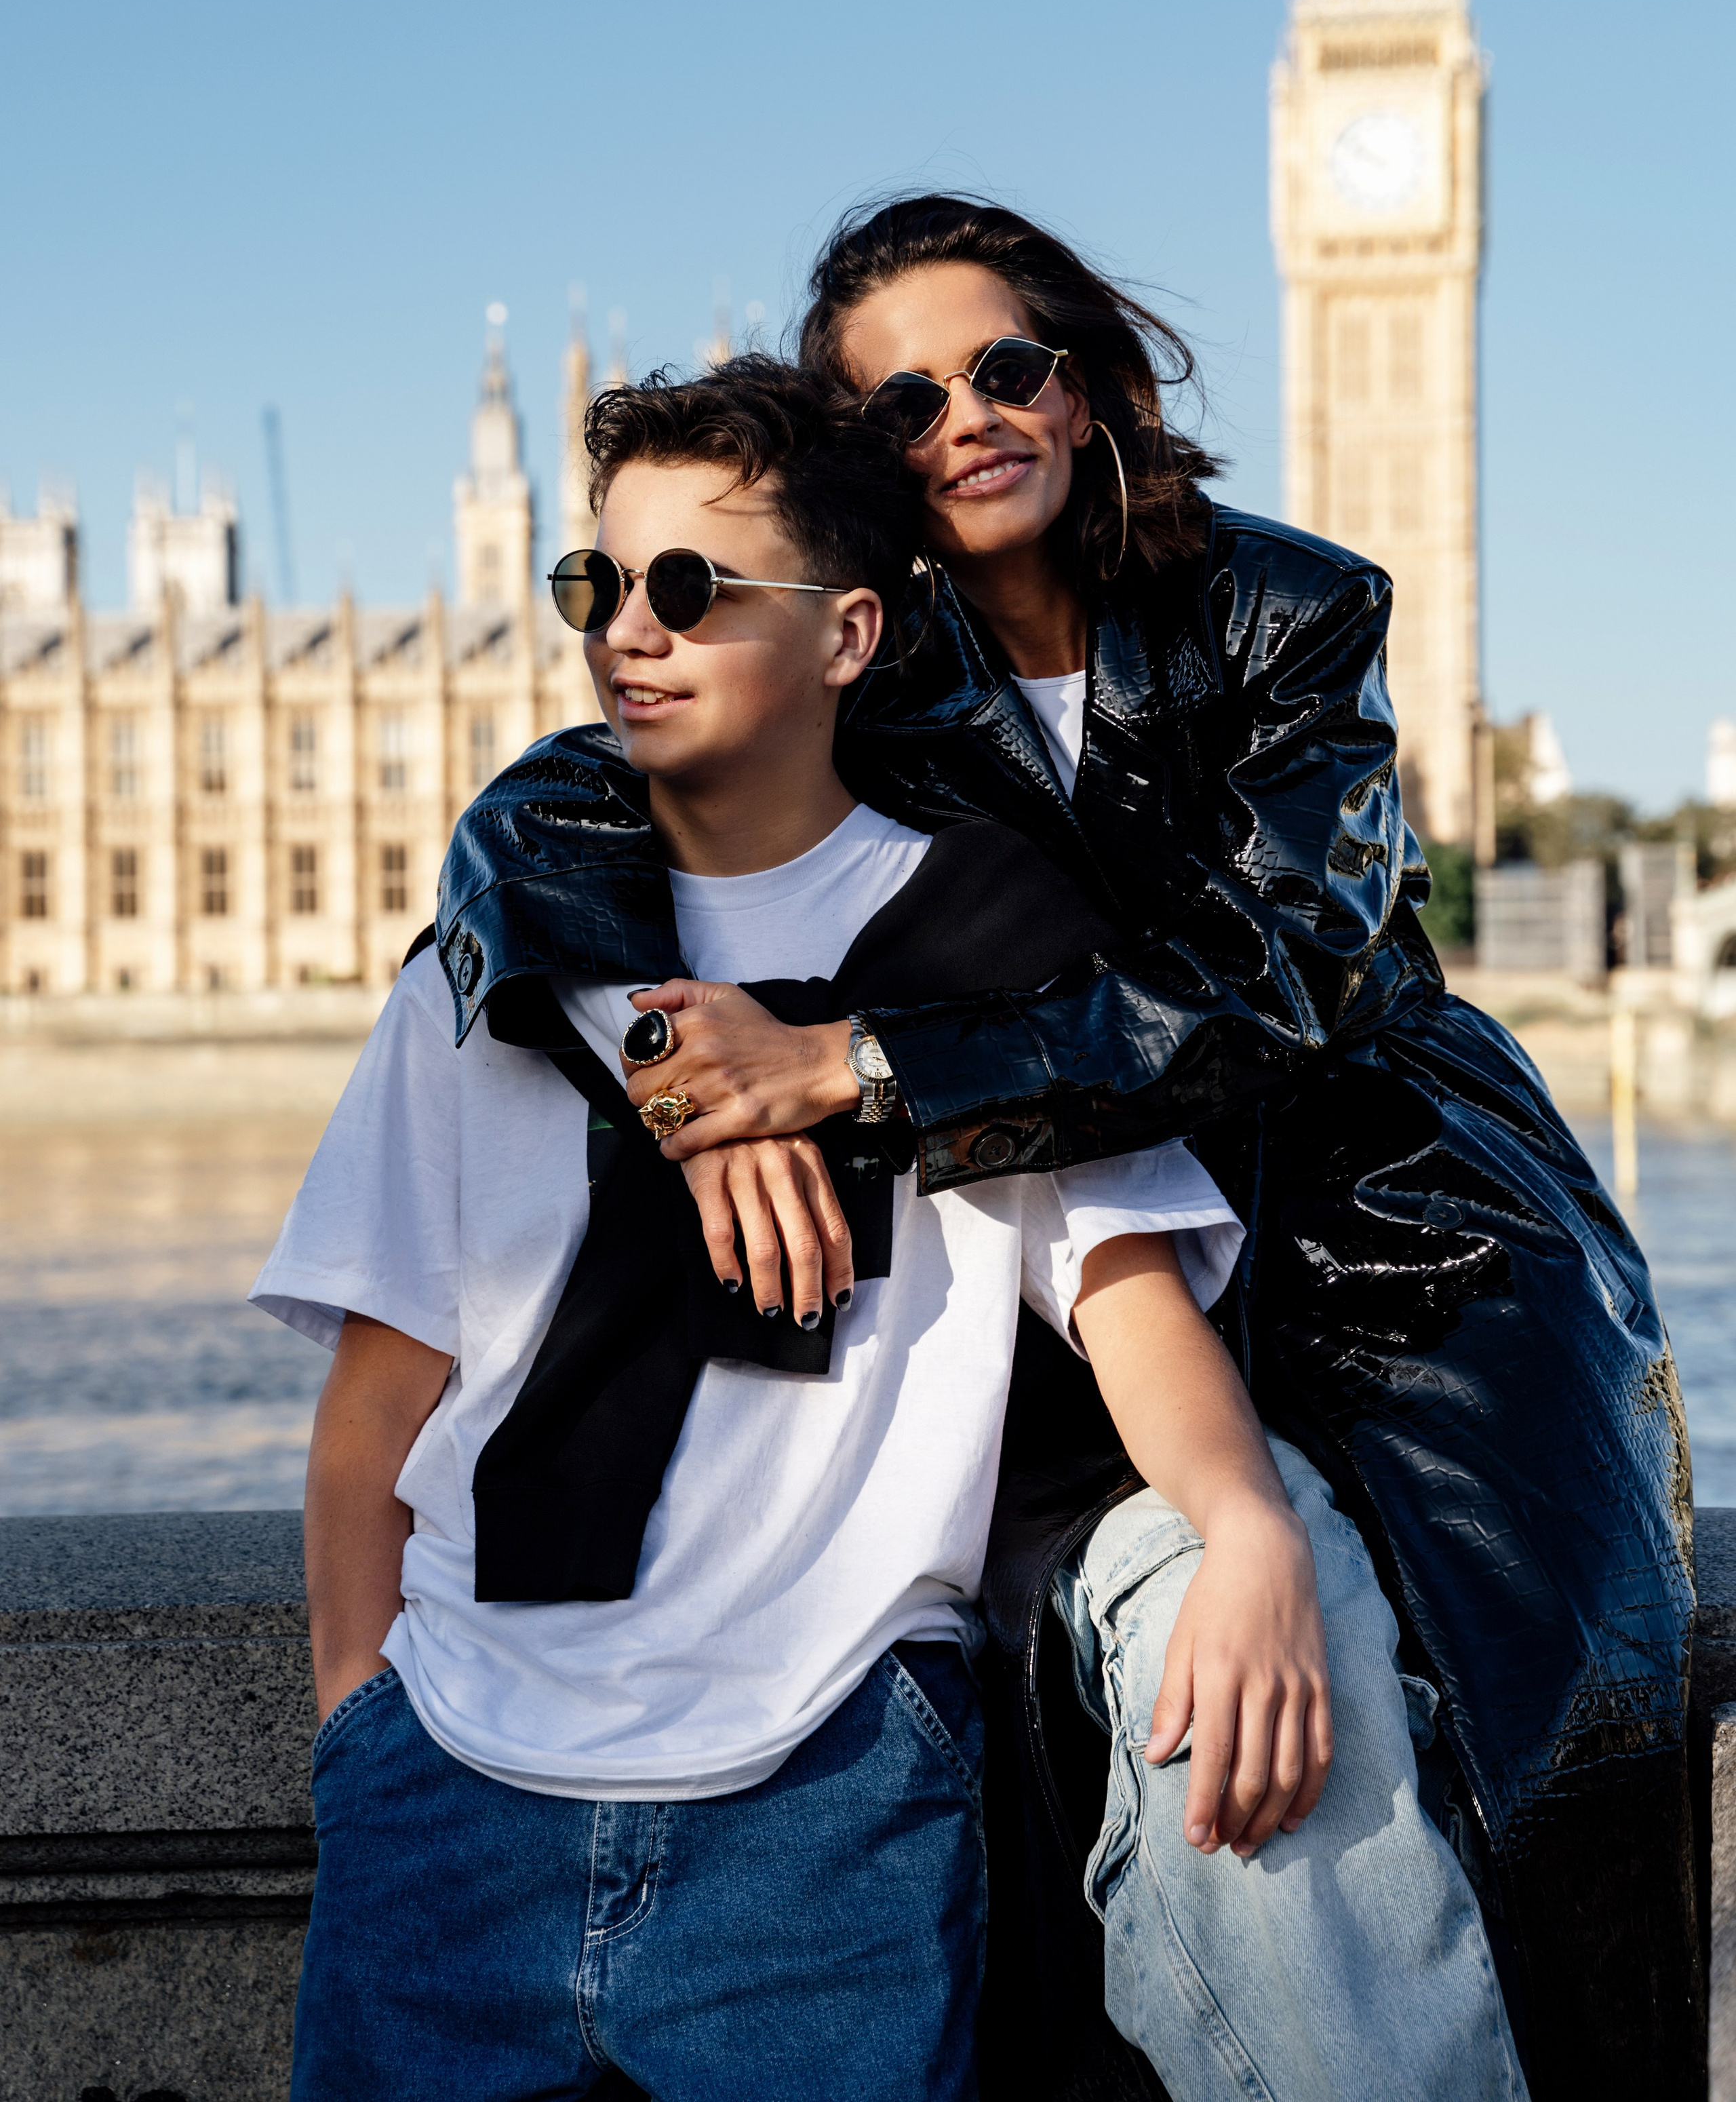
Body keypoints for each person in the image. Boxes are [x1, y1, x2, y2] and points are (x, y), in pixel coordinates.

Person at [577, 201, 1695, 2101]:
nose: (968, 418)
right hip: (1088, 1250)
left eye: (1006, 367)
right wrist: (671, 1065)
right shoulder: (854, 663)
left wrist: (858, 1066)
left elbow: (1276, 979)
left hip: (1390, 1225)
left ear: (1084, 386)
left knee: (1537, 1690)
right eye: (906, 399)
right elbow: (566, 815)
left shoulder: (1294, 604)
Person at [254, 359, 1469, 2102]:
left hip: (821, 1809)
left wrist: (1248, 1525)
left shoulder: (985, 938)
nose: (627, 634)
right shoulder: (500, 947)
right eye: (595, 585)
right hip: (453, 1792)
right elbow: (385, 1381)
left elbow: (1123, 1293)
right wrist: (357, 1719)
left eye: (690, 588)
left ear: (847, 636)